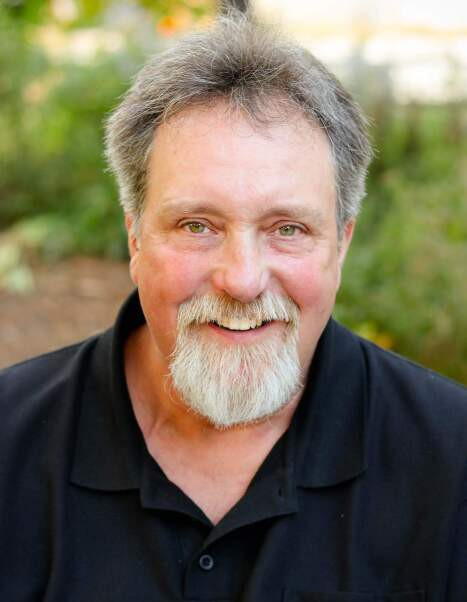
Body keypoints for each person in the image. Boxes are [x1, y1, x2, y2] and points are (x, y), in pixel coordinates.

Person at [0, 12, 466, 602]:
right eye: (197, 225)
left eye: (288, 229)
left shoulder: (453, 463)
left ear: (341, 245)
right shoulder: (9, 442)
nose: (242, 280)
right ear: (135, 237)